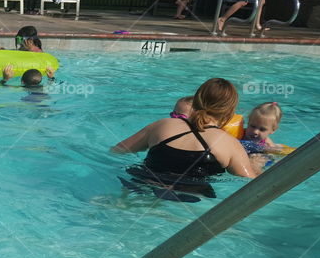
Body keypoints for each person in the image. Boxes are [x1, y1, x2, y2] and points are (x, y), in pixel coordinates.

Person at [111, 78, 258, 202]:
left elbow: (117, 150)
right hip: (189, 198)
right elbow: (253, 184)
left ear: (197, 99)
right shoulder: (229, 143)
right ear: (230, 112)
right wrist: (257, 165)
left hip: (141, 183)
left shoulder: (163, 124)